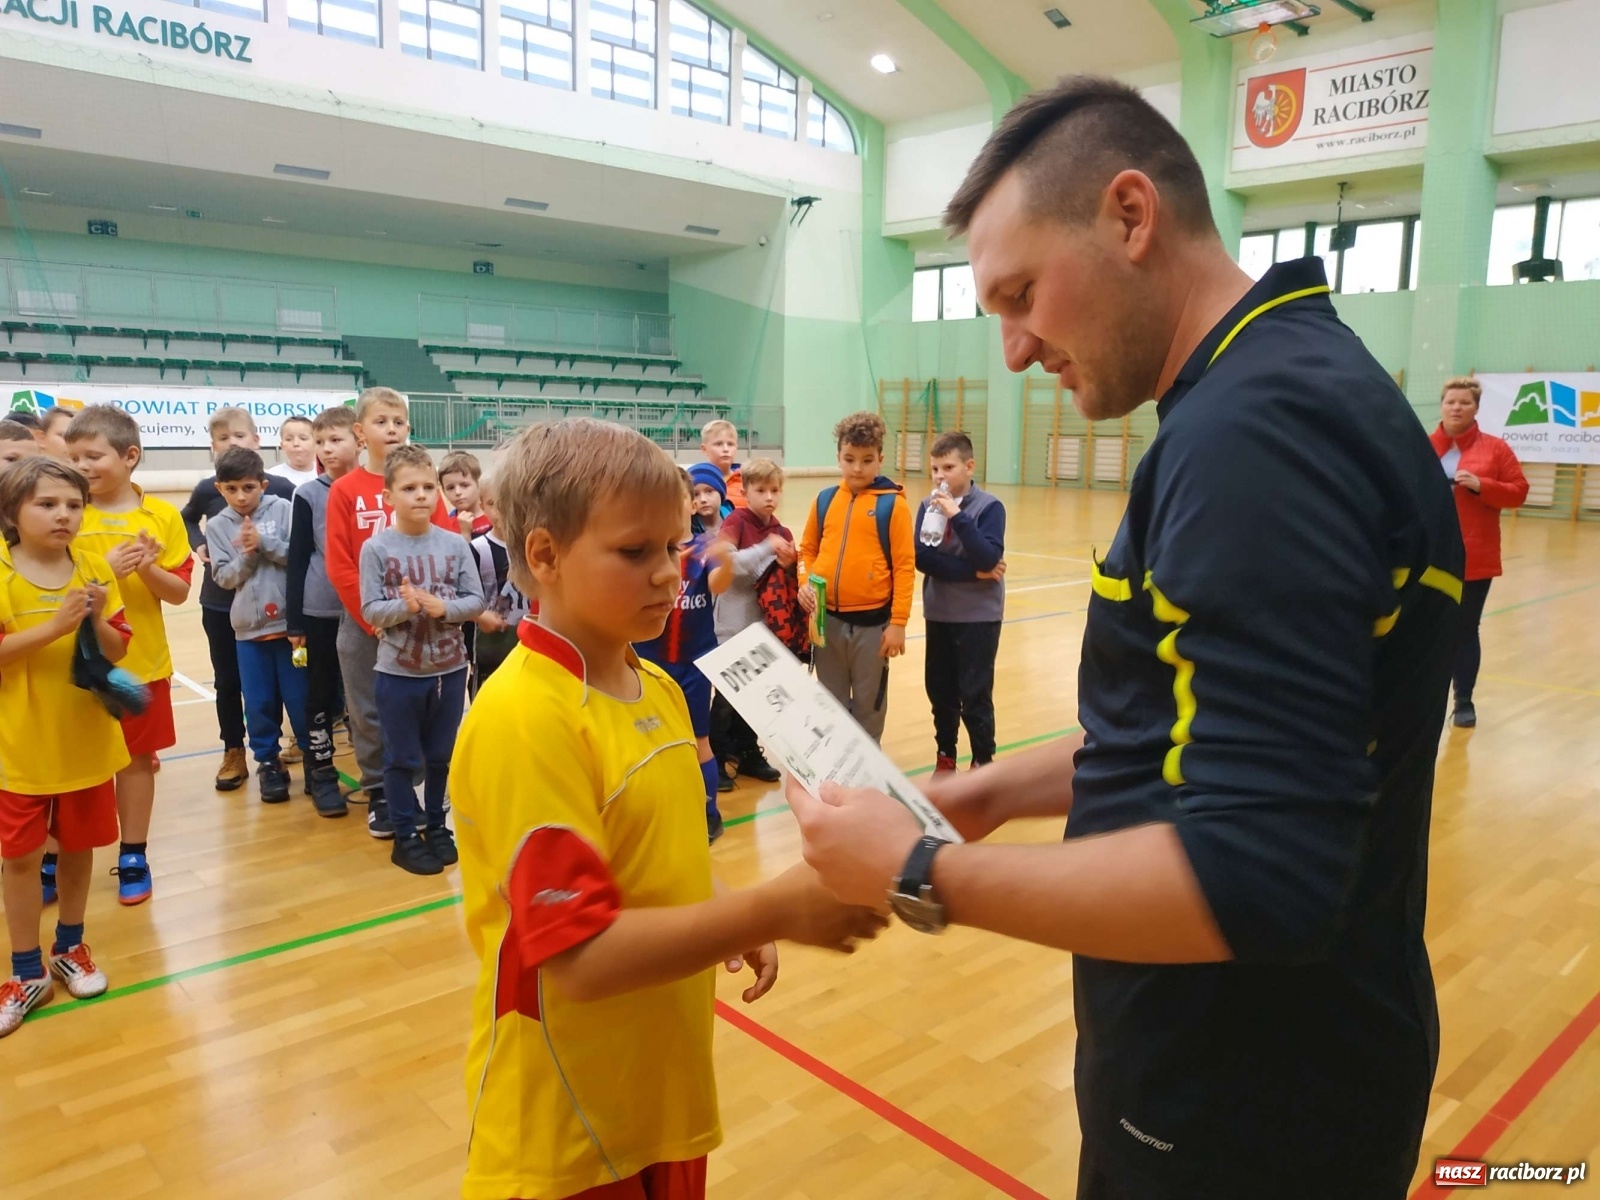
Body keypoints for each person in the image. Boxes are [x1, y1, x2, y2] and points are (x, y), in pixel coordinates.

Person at [784, 77, 1465, 1200]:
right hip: (1271, 1073)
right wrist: (990, 794)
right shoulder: (1278, 387)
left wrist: (921, 871)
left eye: (1019, 294)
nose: (1011, 349)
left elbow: (1255, 875)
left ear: (1130, 215)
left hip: (1242, 1108)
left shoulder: (1257, 433)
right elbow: (1185, 742)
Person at [448, 417, 885, 1200]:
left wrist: (718, 904)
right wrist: (764, 911)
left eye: (675, 546)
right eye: (634, 551)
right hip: (569, 1121)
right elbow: (577, 958)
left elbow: (657, 855)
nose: (666, 573)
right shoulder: (527, 716)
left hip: (662, 1092)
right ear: (543, 555)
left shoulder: (654, 688)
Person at [0, 457, 130, 1038]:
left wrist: (97, 620)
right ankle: (24, 970)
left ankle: (70, 947)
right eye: (47, 504)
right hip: (19, 747)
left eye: (73, 505)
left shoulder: (94, 566)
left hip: (86, 740)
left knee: (79, 848)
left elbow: (118, 653)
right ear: (12, 512)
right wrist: (55, 626)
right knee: (22, 859)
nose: (63, 515)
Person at [66, 406, 194, 906]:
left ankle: (134, 853)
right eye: (73, 456)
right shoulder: (65, 509)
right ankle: (56, 854)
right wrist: (107, 571)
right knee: (72, 761)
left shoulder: (160, 516)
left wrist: (143, 568)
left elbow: (179, 593)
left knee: (137, 763)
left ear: (130, 456)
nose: (81, 465)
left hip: (139, 666)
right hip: (70, 669)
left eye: (92, 456)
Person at [324, 388, 456, 840]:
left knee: (423, 709)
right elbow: (340, 564)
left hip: (424, 620)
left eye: (399, 421)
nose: (392, 429)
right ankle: (380, 791)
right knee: (369, 709)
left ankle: (417, 791)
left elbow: (448, 543)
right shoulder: (344, 490)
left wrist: (436, 606)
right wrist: (374, 619)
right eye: (382, 421)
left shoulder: (424, 483)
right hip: (367, 623)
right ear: (360, 432)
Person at [359, 445, 484, 875]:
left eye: (429, 487)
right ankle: (406, 834)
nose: (422, 495)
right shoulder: (376, 549)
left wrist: (443, 608)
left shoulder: (454, 544)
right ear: (389, 495)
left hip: (449, 671)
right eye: (409, 488)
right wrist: (407, 607)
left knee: (440, 756)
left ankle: (436, 826)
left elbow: (475, 600)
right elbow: (371, 610)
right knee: (401, 759)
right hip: (398, 674)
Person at [181, 408, 297, 792]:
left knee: (296, 690)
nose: (233, 443)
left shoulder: (282, 495)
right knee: (233, 683)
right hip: (228, 607)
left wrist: (262, 545)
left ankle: (310, 753)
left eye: (240, 436)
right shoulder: (208, 495)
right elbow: (189, 523)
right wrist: (201, 547)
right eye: (224, 438)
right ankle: (238, 751)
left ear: (257, 440)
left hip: (282, 613)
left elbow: (299, 552)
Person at [797, 412, 914, 744]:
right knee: (829, 703)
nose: (857, 468)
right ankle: (834, 765)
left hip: (872, 630)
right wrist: (805, 582)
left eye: (866, 460)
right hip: (826, 623)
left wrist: (899, 623)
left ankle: (867, 773)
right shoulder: (824, 500)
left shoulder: (894, 506)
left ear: (880, 459)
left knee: (868, 708)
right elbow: (806, 550)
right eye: (849, 459)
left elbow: (905, 567)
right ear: (838, 458)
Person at [635, 466, 734, 842]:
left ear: (691, 504)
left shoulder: (703, 549)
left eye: (680, 499)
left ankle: (708, 813)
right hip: (647, 659)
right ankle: (659, 809)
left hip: (694, 662)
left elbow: (717, 586)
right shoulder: (645, 551)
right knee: (651, 741)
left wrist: (726, 560)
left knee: (699, 742)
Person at [206, 447, 309, 804]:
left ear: (262, 484)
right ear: (220, 489)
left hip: (291, 630)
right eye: (231, 489)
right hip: (249, 634)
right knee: (259, 703)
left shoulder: (284, 510)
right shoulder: (218, 526)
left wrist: (263, 543)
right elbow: (223, 577)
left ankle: (315, 762)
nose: (241, 496)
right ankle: (268, 763)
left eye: (248, 487)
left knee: (300, 699)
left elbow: (300, 557)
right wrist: (248, 554)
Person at [1430, 377, 1528, 729]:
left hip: (1474, 557)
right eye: (1451, 402)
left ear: (1476, 409)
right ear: (1441, 405)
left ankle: (1464, 700)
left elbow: (1518, 492)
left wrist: (1482, 486)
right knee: (1424, 629)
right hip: (1429, 556)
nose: (1456, 407)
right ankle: (1423, 698)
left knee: (1464, 629)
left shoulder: (1496, 450)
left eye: (1465, 403)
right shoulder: (1422, 446)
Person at [286, 405, 364, 818]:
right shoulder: (309, 494)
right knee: (318, 693)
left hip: (369, 611)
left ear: (359, 439)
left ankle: (378, 776)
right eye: (321, 442)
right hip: (320, 610)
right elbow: (298, 558)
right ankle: (321, 771)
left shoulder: (378, 488)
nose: (327, 449)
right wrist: (295, 619)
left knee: (362, 697)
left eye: (336, 440)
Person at [915, 432, 1007, 775]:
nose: (940, 476)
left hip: (978, 617)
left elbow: (988, 556)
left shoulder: (990, 508)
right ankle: (945, 753)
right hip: (939, 612)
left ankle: (983, 759)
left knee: (975, 692)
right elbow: (924, 559)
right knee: (940, 690)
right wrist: (973, 573)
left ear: (969, 467)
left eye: (948, 467)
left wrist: (956, 515)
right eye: (935, 468)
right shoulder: (927, 506)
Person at [709, 456, 792, 788]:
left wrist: (788, 564)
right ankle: (714, 757)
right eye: (761, 490)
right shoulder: (737, 523)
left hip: (763, 629)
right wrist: (764, 549)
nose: (769, 497)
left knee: (754, 699)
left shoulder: (781, 530)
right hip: (731, 627)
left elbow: (780, 580)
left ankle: (746, 752)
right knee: (726, 700)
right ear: (745, 491)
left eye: (774, 490)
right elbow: (730, 566)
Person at [467, 476, 533, 694]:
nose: (503, 510)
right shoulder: (478, 549)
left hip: (530, 646)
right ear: (482, 506)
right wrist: (479, 615)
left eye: (509, 501)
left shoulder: (535, 545)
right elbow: (460, 594)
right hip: (490, 649)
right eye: (494, 503)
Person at [438, 450, 492, 538]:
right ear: (444, 492)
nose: (457, 492)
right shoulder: (446, 526)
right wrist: (465, 533)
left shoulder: (493, 516)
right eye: (450, 488)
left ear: (479, 484)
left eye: (464, 485)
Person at [700, 418, 745, 513]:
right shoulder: (697, 482)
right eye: (719, 444)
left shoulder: (747, 481)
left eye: (730, 444)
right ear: (704, 449)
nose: (725, 449)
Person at [268, 416, 319, 488]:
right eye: (289, 439)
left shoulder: (326, 474)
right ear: (282, 445)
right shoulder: (272, 476)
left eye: (303, 438)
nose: (296, 443)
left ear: (316, 443)